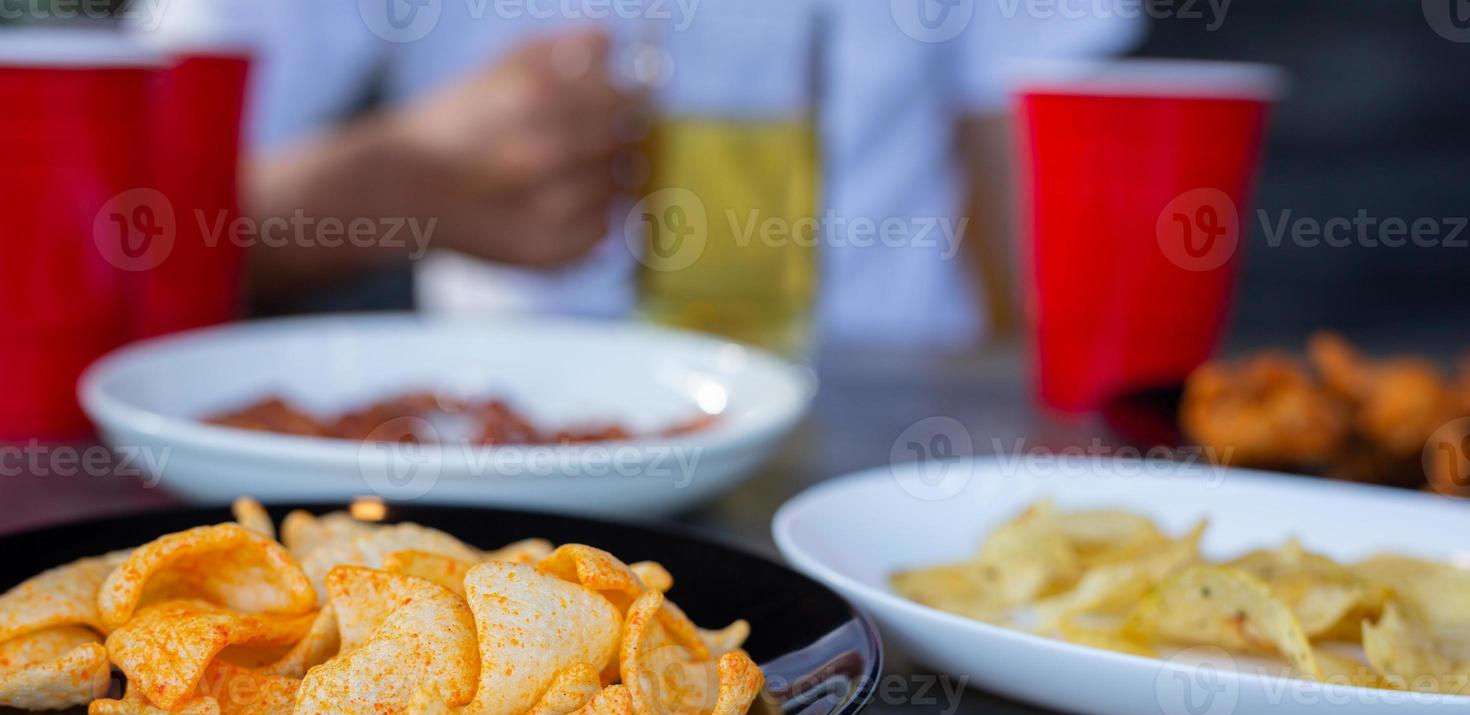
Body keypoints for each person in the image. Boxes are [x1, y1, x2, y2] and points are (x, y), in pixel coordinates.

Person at [149, 0, 1141, 346]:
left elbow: (1034, 233)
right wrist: (389, 184)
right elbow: (124, 229)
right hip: (505, 438)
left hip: (881, 435)